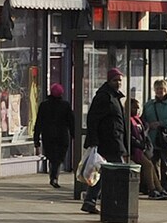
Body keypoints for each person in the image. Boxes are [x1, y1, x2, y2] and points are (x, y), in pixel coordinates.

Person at [82, 68, 129, 214]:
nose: (118, 83)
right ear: (109, 81)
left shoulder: (114, 96)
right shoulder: (104, 97)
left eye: (120, 80)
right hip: (107, 141)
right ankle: (115, 202)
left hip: (114, 140)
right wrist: (94, 140)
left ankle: (91, 200)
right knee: (117, 172)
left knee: (103, 172)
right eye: (115, 80)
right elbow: (93, 119)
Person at [33, 83, 76, 190]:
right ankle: (54, 177)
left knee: (52, 158)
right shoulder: (65, 105)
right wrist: (74, 135)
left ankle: (53, 176)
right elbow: (71, 122)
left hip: (48, 136)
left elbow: (38, 123)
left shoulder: (44, 105)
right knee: (59, 158)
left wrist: (36, 139)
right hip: (62, 136)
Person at [144, 78, 167, 200]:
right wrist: (147, 125)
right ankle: (155, 188)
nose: (160, 91)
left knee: (166, 165)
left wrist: (160, 123)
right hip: (152, 139)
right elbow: (143, 118)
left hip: (165, 139)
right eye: (158, 88)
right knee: (152, 165)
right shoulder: (149, 104)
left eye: (162, 88)